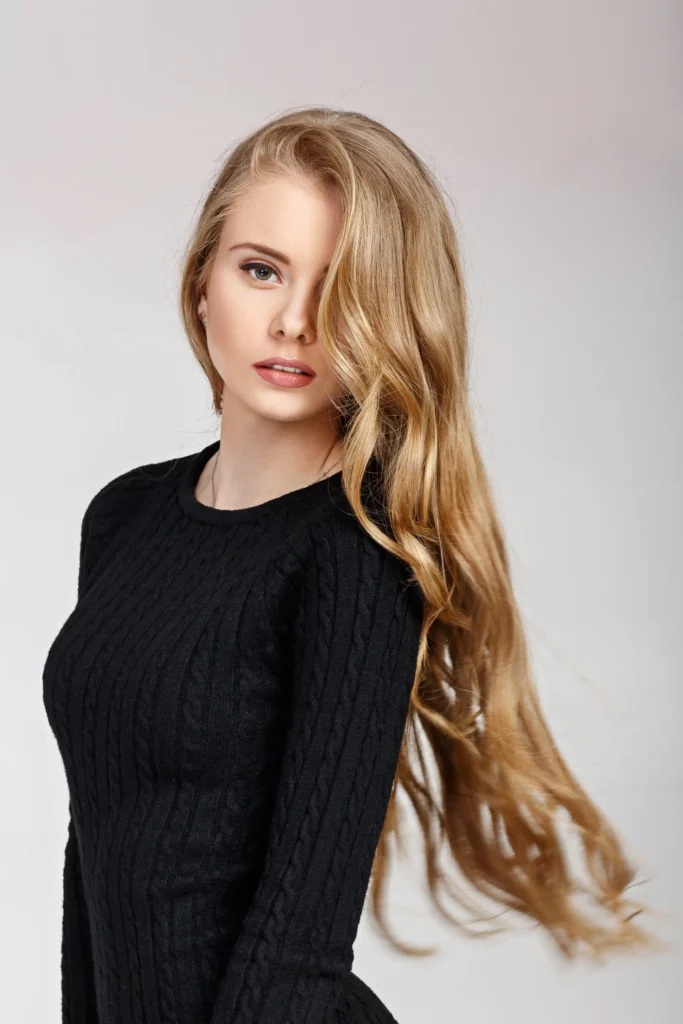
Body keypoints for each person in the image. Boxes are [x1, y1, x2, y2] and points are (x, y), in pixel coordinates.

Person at [42, 106, 663, 1024]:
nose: (294, 321)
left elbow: (297, 947)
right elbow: (92, 848)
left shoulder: (356, 553)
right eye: (261, 270)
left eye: (341, 288)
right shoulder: (124, 516)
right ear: (203, 283)